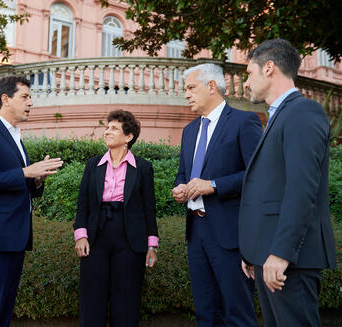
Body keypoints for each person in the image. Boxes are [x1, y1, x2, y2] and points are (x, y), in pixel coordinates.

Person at [240, 38, 337, 326]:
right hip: (268, 258)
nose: (246, 83)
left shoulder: (302, 112)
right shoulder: (280, 115)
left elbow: (301, 188)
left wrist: (281, 252)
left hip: (288, 261)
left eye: (249, 73)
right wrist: (253, 252)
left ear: (268, 68)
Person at [0, 75, 63, 327]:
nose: (31, 102)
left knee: (3, 312)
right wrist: (24, 172)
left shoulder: (15, 136)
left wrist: (36, 180)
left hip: (15, 238)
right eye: (25, 97)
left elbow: (18, 183)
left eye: (30, 97)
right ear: (5, 99)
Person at [172, 63, 262, 326]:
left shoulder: (244, 122)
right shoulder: (189, 131)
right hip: (196, 233)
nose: (186, 94)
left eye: (191, 87)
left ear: (212, 86)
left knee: (237, 313)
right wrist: (180, 187)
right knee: (206, 313)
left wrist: (214, 185)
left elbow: (258, 175)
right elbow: (183, 174)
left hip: (230, 235)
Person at [73, 110, 158, 327]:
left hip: (131, 239)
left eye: (113, 128)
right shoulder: (93, 165)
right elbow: (83, 205)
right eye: (107, 127)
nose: (107, 131)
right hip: (96, 236)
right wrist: (80, 236)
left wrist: (152, 245)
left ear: (128, 137)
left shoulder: (143, 167)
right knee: (92, 301)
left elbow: (149, 209)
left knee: (127, 302)